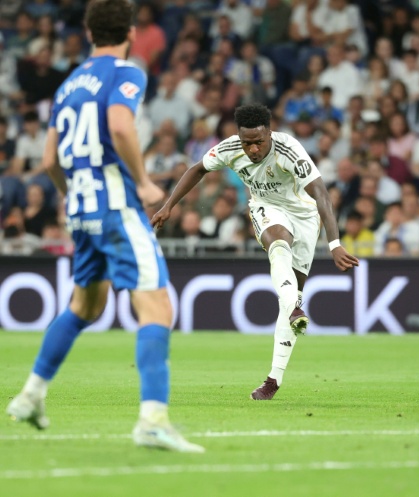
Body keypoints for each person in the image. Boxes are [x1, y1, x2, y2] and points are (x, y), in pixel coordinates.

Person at [5, 0, 203, 453]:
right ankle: (152, 419)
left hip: (81, 209)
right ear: (131, 32)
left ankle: (31, 395)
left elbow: (50, 160)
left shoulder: (69, 83)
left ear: (89, 32)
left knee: (85, 307)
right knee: (157, 308)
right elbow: (119, 125)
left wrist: (72, 193)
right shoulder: (126, 71)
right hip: (116, 204)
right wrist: (144, 183)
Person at [151, 103, 358, 400]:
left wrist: (334, 243)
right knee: (278, 244)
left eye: (258, 142)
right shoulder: (229, 148)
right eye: (247, 142)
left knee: (290, 295)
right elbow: (197, 170)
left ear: (269, 133)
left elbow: (321, 193)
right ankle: (294, 307)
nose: (252, 149)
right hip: (266, 207)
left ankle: (273, 379)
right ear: (238, 136)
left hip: (305, 216)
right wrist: (168, 205)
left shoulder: (289, 150)